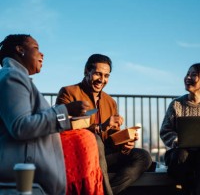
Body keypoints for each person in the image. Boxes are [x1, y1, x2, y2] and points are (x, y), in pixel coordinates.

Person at [0, 34, 91, 195]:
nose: (42, 54)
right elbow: (21, 126)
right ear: (20, 50)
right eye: (36, 48)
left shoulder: (15, 78)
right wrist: (66, 111)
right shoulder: (12, 77)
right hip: (25, 186)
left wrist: (66, 118)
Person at [56, 53, 152, 195]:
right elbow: (61, 125)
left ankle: (105, 192)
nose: (102, 80)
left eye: (106, 76)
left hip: (104, 156)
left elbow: (113, 139)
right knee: (96, 140)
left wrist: (125, 142)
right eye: (97, 74)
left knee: (143, 156)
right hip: (80, 155)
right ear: (86, 71)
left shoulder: (110, 101)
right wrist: (100, 127)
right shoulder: (68, 92)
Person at [160, 63, 200, 195]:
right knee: (182, 155)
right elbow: (165, 131)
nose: (188, 77)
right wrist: (176, 140)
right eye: (187, 74)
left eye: (193, 74)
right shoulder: (176, 104)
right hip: (179, 152)